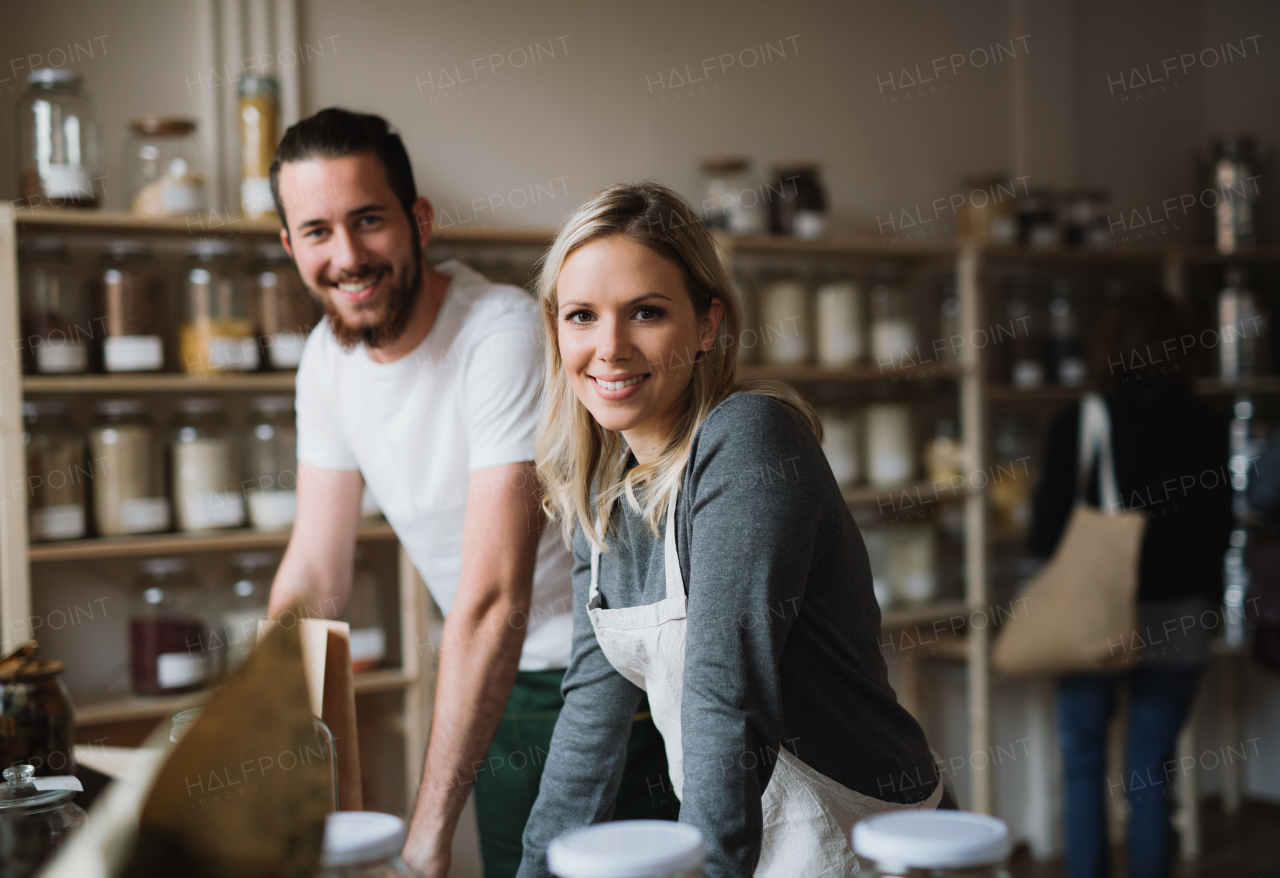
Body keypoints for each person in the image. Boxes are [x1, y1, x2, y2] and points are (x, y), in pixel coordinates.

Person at [263, 109, 675, 878]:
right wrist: (256, 730)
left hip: (604, 682)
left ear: (418, 221)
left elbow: (493, 598)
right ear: (290, 247)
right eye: (317, 231)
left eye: (368, 220)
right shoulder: (326, 359)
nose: (347, 256)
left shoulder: (500, 334)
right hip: (497, 689)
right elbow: (316, 573)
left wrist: (424, 843)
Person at [516, 182, 950, 878]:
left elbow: (728, 695)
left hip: (863, 844)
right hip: (750, 842)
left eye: (647, 313)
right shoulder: (601, 498)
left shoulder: (749, 440)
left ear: (708, 324)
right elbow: (589, 721)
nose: (610, 347)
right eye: (581, 316)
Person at [1029, 286, 1233, 878]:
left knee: (1084, 762)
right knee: (1152, 772)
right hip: (1180, 616)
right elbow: (1219, 532)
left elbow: (1046, 536)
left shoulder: (1079, 425)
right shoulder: (1206, 428)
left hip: (1092, 616)